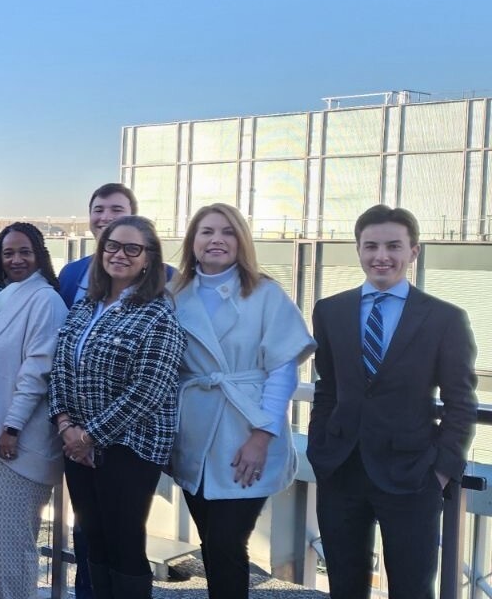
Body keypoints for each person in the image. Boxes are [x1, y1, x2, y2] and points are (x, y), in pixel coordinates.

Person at [308, 205, 477, 598]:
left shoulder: (444, 318)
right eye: (371, 246)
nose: (380, 256)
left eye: (393, 246)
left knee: (412, 588)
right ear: (358, 250)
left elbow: (461, 402)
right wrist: (320, 448)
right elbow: (327, 387)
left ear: (413, 252)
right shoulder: (330, 311)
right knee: (344, 585)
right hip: (341, 469)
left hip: (413, 474)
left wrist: (442, 469)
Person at [167, 204, 314, 599]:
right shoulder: (174, 294)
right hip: (193, 431)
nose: (217, 239)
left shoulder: (265, 293)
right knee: (210, 540)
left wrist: (262, 435)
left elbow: (283, 368)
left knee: (227, 543)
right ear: (192, 242)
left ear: (241, 241)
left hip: (247, 428)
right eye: (207, 232)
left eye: (228, 232)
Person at [49, 215, 184, 599]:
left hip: (130, 448)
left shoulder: (158, 312)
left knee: (123, 542)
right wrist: (65, 427)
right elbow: (59, 367)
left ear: (149, 258)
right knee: (94, 538)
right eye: (111, 245)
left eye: (131, 248)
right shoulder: (87, 305)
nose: (119, 254)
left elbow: (150, 388)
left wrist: (89, 436)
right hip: (76, 444)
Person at [0, 222, 68, 599]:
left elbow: (38, 370)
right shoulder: (2, 299)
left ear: (40, 255)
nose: (16, 259)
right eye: (8, 253)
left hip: (20, 439)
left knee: (14, 546)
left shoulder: (45, 301)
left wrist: (12, 425)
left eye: (25, 251)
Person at [59, 183, 138, 306]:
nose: (106, 217)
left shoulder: (167, 278)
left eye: (116, 210)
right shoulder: (70, 274)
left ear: (134, 217)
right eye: (99, 210)